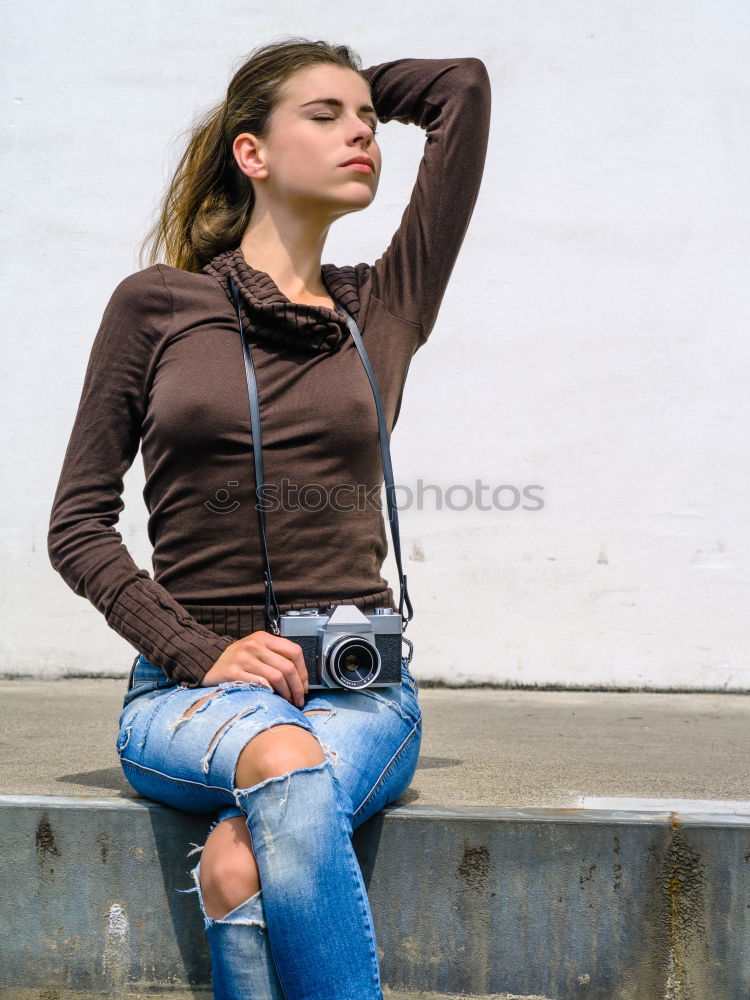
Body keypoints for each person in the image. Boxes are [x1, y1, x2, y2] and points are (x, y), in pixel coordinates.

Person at [47, 35, 491, 1000]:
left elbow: (461, 90)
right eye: (324, 119)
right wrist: (199, 649)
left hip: (360, 695)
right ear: (251, 153)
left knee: (241, 861)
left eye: (370, 122)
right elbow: (77, 523)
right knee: (281, 756)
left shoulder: (383, 306)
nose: (362, 135)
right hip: (185, 694)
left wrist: (342, 85)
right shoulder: (157, 307)